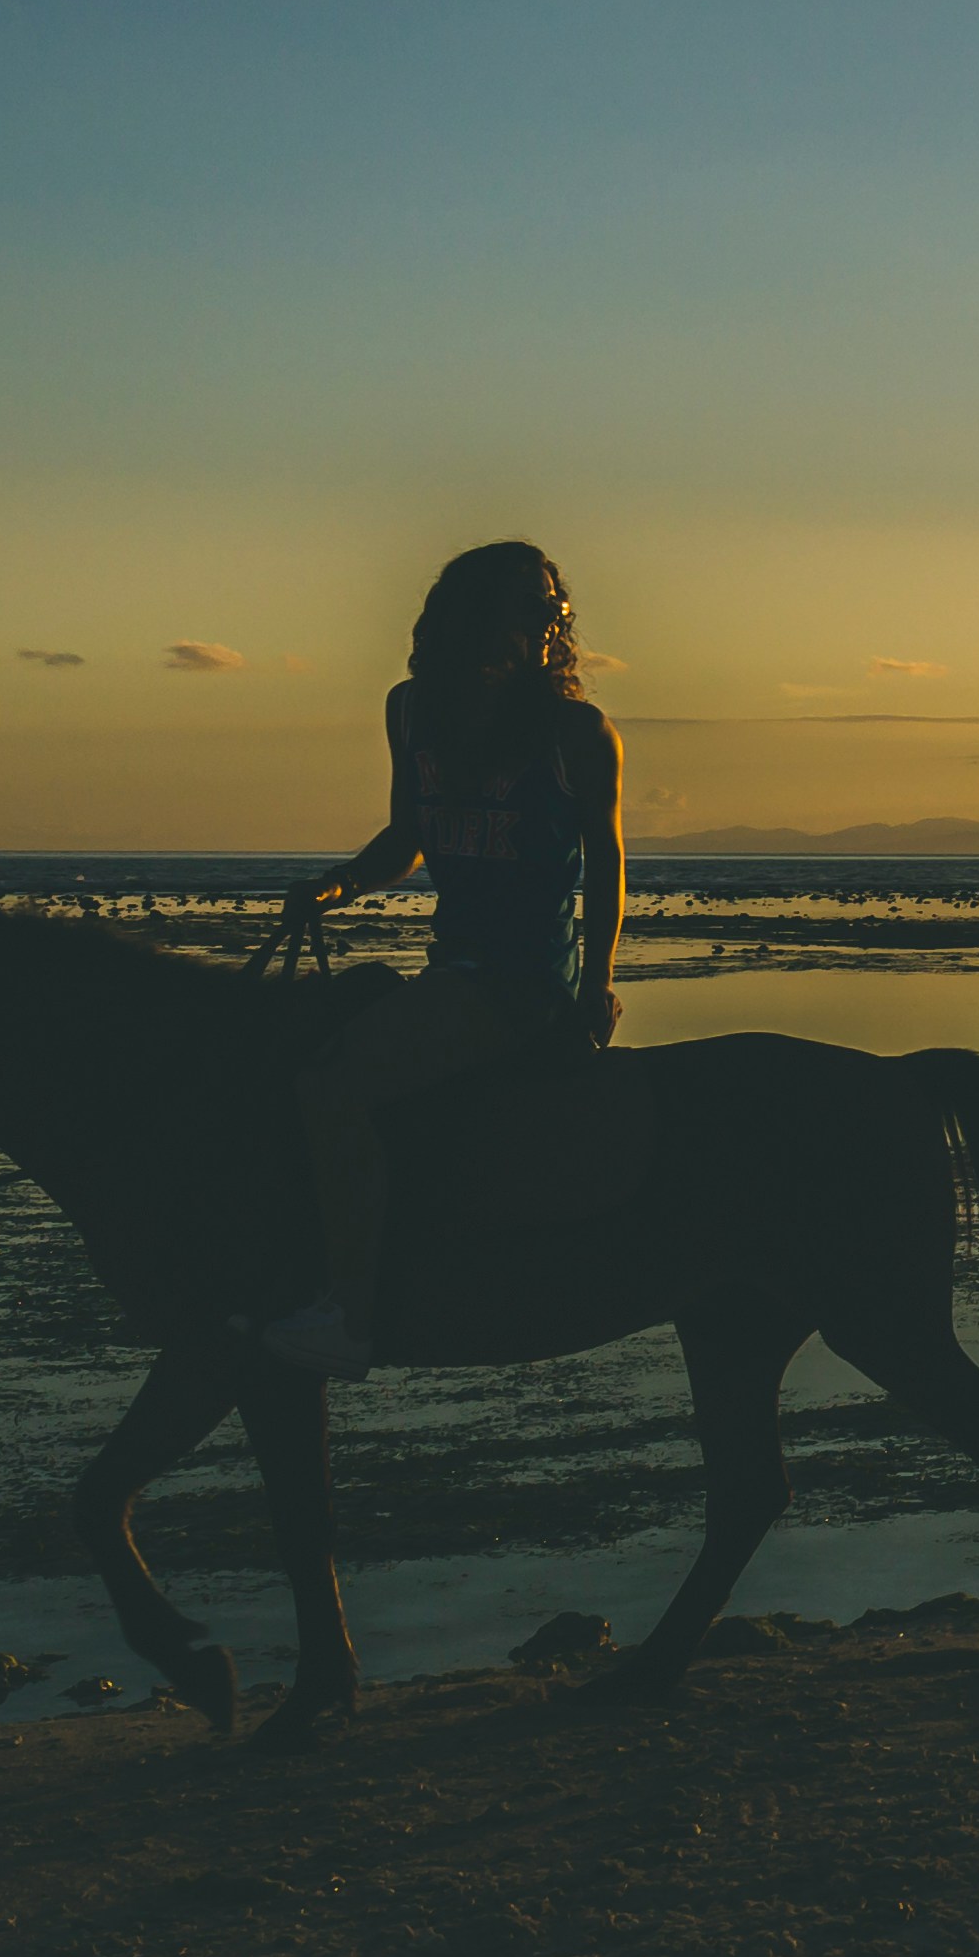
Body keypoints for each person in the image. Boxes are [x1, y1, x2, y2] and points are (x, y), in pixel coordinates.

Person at [249, 541, 625, 1378]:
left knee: (331, 1087)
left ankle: (351, 1315)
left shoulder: (576, 732)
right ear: (474, 614)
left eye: (553, 607)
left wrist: (595, 985)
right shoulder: (411, 711)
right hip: (451, 966)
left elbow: (606, 869)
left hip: (523, 982)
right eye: (529, 604)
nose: (549, 620)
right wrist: (337, 887)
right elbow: (406, 839)